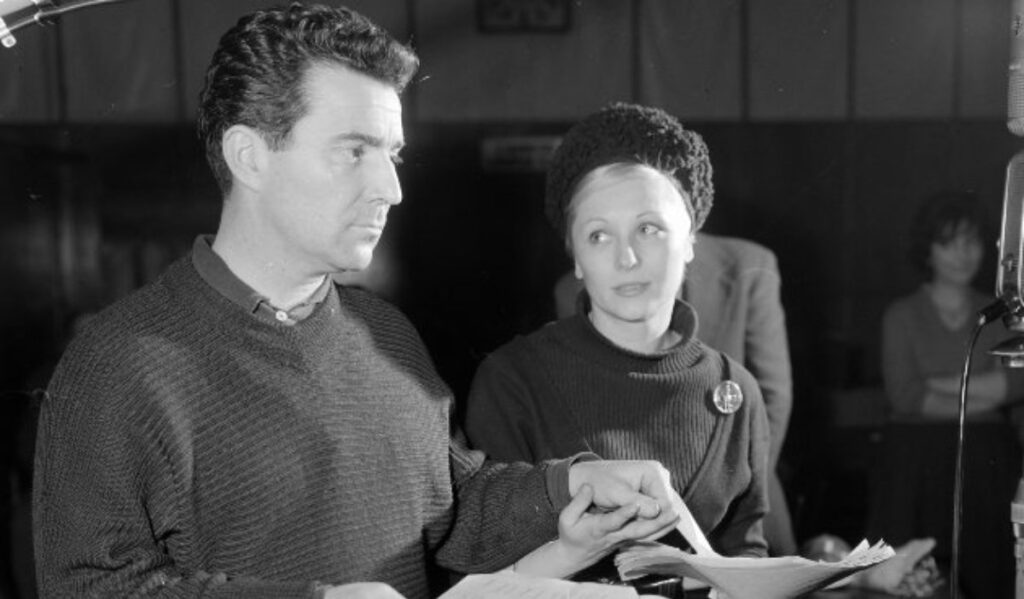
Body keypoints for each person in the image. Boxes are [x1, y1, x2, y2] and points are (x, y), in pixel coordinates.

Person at [31, 5, 683, 598]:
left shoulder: (385, 332)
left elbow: (452, 507)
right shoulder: (116, 362)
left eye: (392, 154)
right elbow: (89, 585)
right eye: (354, 151)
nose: (391, 188)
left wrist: (568, 485)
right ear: (249, 157)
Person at [465, 103, 771, 566]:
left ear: (690, 240)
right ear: (575, 257)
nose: (626, 258)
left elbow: (746, 551)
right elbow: (480, 569)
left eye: (648, 228)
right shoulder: (512, 382)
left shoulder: (735, 390)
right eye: (599, 236)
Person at [554, 231, 796, 555]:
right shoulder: (574, 287)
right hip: (626, 524)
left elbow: (773, 397)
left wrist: (725, 490)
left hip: (738, 514)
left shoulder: (749, 265)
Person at [870, 190, 1023, 598]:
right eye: (949, 242)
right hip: (914, 462)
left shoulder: (1001, 314)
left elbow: (1013, 385)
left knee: (993, 575)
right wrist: (980, 388)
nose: (963, 254)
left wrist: (936, 382)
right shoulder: (901, 314)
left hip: (986, 458)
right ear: (928, 250)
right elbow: (905, 397)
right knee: (913, 581)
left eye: (971, 241)